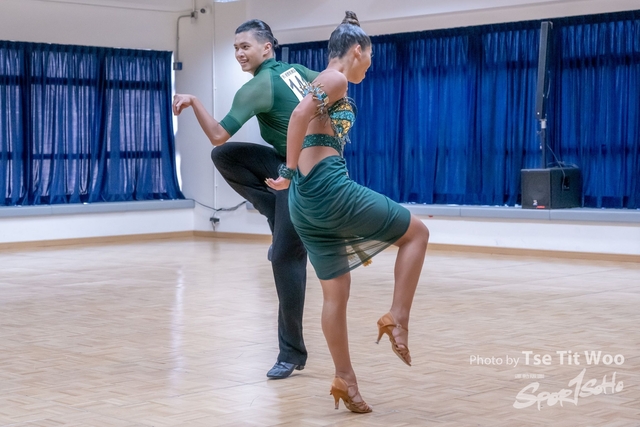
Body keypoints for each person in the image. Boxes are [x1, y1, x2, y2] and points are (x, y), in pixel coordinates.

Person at [266, 11, 430, 413]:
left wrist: (293, 177)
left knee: (335, 294)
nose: (369, 66)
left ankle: (346, 380)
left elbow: (307, 120)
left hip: (305, 203)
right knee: (417, 234)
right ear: (357, 50)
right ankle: (398, 317)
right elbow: (299, 115)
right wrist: (287, 170)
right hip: (326, 188)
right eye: (369, 58)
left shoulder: (325, 81)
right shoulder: (335, 78)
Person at [173, 19, 319, 379]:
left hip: (305, 175)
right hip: (291, 162)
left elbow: (218, 134)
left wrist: (194, 101)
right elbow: (334, 88)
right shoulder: (297, 71)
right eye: (236, 48)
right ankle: (276, 216)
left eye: (245, 47)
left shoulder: (259, 85)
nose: (239, 53)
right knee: (228, 157)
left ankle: (292, 353)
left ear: (267, 48)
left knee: (284, 257)